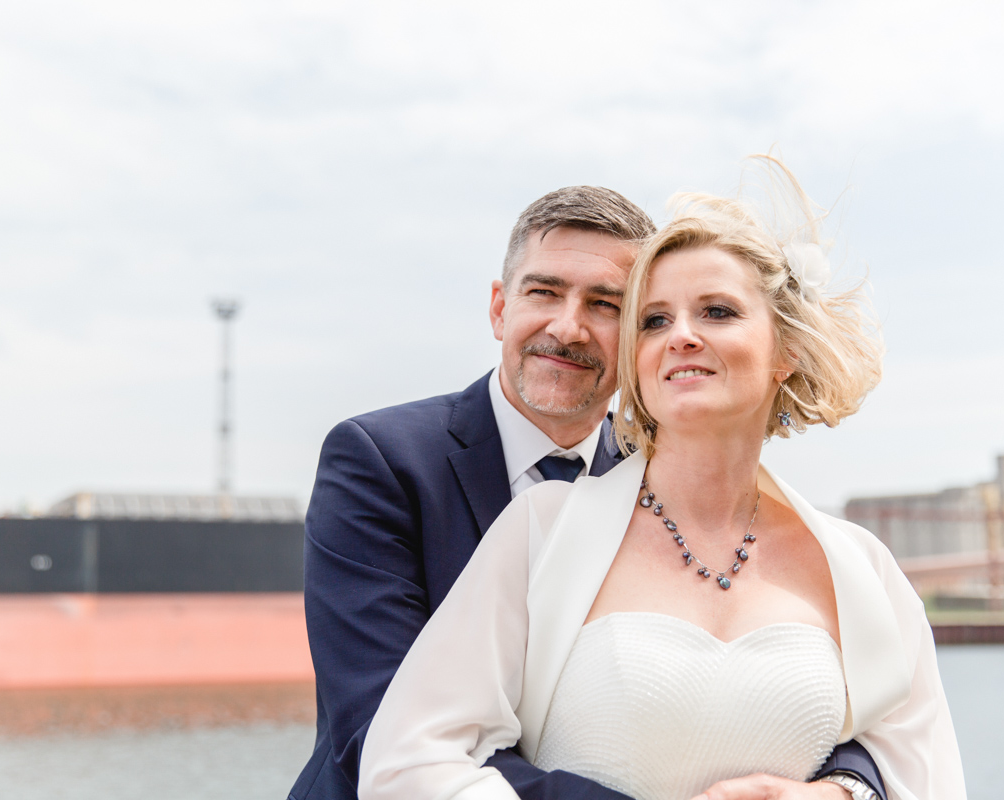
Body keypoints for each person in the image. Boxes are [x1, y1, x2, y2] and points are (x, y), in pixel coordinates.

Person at [357, 160, 962, 800]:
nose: (682, 337)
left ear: (786, 349)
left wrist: (841, 796)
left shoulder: (862, 568)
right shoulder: (539, 531)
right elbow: (407, 765)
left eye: (718, 311)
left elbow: (925, 772)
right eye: (653, 320)